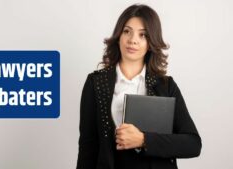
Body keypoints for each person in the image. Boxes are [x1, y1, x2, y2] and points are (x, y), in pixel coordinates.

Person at [76, 4, 202, 169]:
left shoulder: (166, 86)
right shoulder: (95, 83)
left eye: (143, 35)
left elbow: (193, 144)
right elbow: (87, 147)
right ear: (119, 36)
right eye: (127, 31)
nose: (133, 40)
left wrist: (143, 140)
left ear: (151, 42)